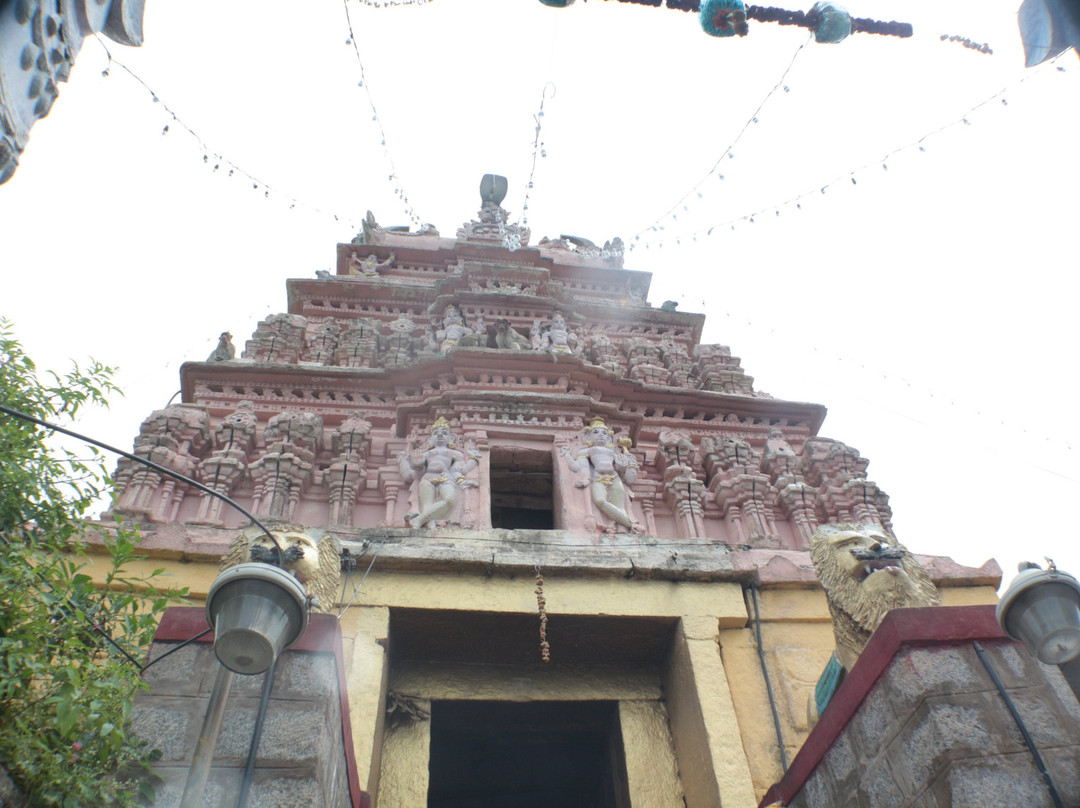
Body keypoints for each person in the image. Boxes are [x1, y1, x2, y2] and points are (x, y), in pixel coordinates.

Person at [560, 416, 639, 531]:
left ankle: (623, 528)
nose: (601, 435)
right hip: (598, 478)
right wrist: (567, 455)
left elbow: (625, 475)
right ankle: (630, 525)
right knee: (600, 501)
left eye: (604, 433)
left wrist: (622, 466)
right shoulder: (587, 451)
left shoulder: (612, 453)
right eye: (595, 432)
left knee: (620, 507)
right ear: (588, 436)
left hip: (615, 478)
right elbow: (578, 467)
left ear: (609, 438)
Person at [398, 418, 480, 528]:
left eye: (444, 433)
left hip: (446, 478)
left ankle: (418, 520)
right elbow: (415, 475)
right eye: (436, 433)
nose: (440, 435)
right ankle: (431, 530)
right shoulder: (427, 453)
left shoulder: (455, 453)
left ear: (450, 438)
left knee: (449, 500)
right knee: (427, 505)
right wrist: (418, 464)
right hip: (427, 478)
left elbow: (462, 470)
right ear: (430, 439)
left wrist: (473, 458)